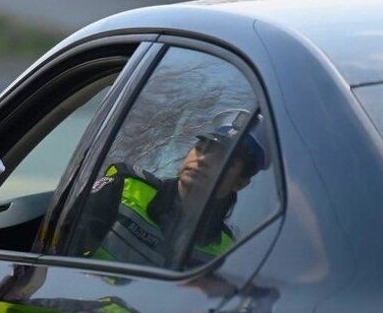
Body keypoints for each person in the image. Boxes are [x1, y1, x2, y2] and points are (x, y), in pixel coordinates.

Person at [72, 109, 269, 268]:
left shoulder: (228, 252)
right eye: (201, 148)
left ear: (241, 183)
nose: (203, 160)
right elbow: (62, 257)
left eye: (223, 159)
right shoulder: (124, 185)